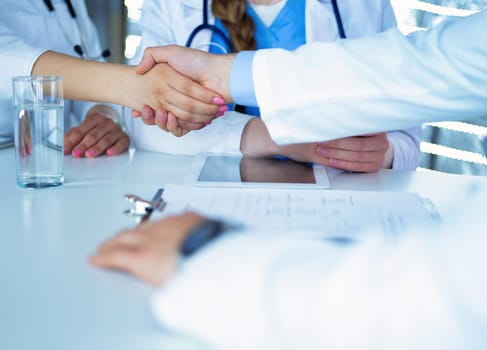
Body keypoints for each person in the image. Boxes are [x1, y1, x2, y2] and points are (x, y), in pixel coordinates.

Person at [91, 10, 487, 349]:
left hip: (336, 217)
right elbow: (435, 62)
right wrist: (238, 87)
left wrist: (204, 256)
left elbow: (416, 307)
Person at [129, 0, 420, 172]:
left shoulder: (362, 6)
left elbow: (406, 140)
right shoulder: (172, 5)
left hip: (335, 206)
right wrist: (283, 140)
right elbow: (143, 121)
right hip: (208, 206)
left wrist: (383, 153)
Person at [0, 0, 225, 155]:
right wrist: (129, 86)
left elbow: (86, 58)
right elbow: (7, 60)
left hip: (61, 162)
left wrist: (102, 114)